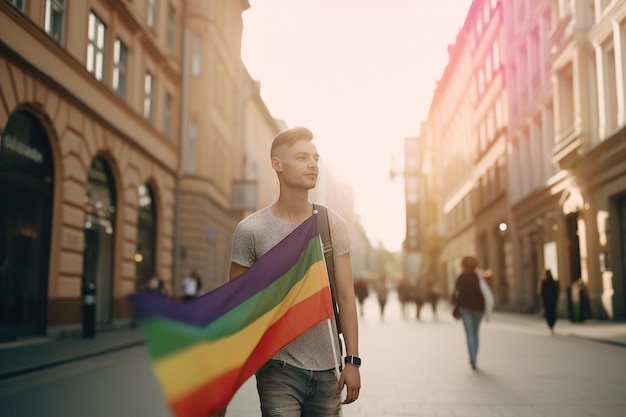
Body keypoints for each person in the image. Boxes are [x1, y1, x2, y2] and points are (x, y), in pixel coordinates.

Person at [222, 127, 361, 417]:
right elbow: (237, 310)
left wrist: (353, 361)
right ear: (277, 164)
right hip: (278, 369)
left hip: (328, 369)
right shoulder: (251, 230)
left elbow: (347, 298)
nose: (312, 164)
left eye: (315, 157)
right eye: (301, 157)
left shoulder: (331, 225)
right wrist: (224, 382)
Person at [451, 256, 485, 370]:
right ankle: (475, 356)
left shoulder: (461, 277)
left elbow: (456, 293)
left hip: (465, 308)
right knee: (475, 333)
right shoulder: (479, 276)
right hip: (479, 308)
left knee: (469, 333)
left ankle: (473, 358)